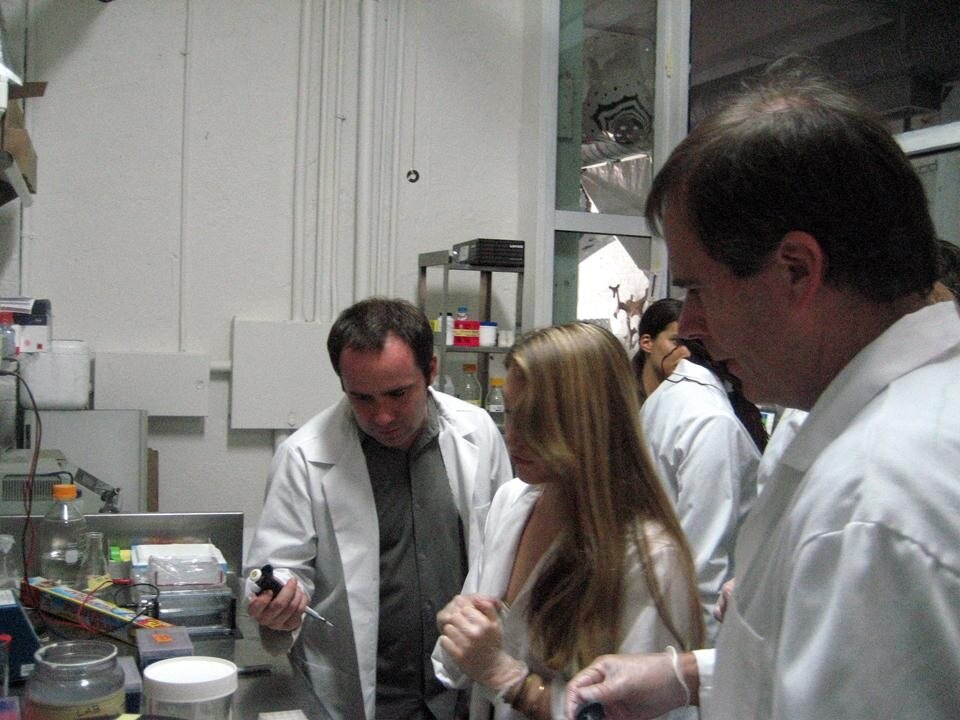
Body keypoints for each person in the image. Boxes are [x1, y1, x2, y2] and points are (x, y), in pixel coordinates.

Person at [565, 61, 960, 719]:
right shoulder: (883, 419)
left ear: (797, 270)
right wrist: (688, 674)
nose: (687, 325)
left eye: (698, 289)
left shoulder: (873, 503)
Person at [245, 297, 512, 720]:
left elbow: (503, 546)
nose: (383, 415)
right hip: (365, 693)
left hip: (462, 690)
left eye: (398, 394)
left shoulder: (477, 432)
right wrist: (278, 604)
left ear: (431, 372)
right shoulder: (303, 456)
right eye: (362, 398)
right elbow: (279, 568)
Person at [432, 322, 703, 719]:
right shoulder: (514, 501)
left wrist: (505, 676)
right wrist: (462, 630)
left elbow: (630, 712)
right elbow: (464, 657)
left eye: (536, 421)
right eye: (510, 413)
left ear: (588, 422)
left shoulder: (648, 558)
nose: (513, 437)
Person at [636, 301, 762, 644]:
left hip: (660, 619)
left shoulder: (668, 397)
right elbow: (704, 566)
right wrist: (699, 675)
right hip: (691, 635)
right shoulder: (709, 421)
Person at [632, 298, 689, 401]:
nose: (686, 353)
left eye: (690, 344)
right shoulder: (621, 397)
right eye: (676, 341)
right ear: (647, 343)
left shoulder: (691, 396)